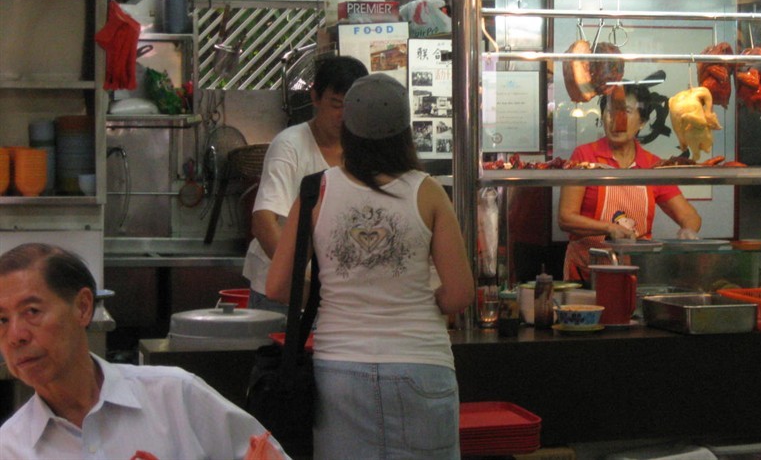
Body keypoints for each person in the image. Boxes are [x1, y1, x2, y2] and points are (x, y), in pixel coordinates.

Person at [266, 73, 474, 460]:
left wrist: (329, 293)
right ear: (406, 131)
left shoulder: (315, 190)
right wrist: (423, 299)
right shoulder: (427, 191)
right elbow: (460, 293)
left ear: (347, 128)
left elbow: (279, 286)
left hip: (339, 372)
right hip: (422, 364)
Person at [0, 243, 288, 460]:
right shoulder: (10, 447)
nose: (16, 336)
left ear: (83, 307)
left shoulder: (174, 396)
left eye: (32, 311)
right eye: (2, 320)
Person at [243, 55, 368, 313]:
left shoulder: (363, 152)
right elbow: (263, 223)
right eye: (336, 104)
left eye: (351, 105)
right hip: (282, 296)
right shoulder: (290, 145)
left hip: (338, 298)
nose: (343, 115)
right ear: (315, 97)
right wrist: (303, 280)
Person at [558, 84, 702, 281]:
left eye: (626, 111)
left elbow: (690, 216)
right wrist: (609, 228)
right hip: (587, 272)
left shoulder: (651, 165)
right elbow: (566, 218)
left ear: (642, 121)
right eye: (610, 111)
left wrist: (687, 232)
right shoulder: (584, 156)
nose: (617, 119)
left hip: (636, 273)